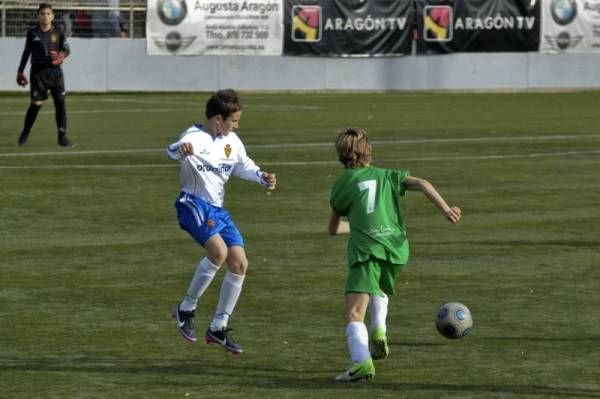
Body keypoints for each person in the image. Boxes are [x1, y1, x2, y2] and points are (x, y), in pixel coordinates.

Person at [328, 127, 461, 382]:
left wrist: (355, 226)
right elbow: (422, 183)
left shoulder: (342, 184)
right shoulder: (387, 175)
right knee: (378, 286)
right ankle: (379, 327)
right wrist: (445, 209)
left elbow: (333, 229)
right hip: (397, 249)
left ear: (342, 156)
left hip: (367, 252)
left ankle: (361, 363)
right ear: (369, 153)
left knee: (355, 313)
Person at [166, 89, 277, 354]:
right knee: (219, 252)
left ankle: (218, 326)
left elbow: (242, 165)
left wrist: (261, 176)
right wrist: (181, 150)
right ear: (218, 119)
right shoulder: (194, 137)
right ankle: (186, 308)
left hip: (217, 211)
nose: (236, 125)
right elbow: (172, 150)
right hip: (192, 204)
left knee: (239, 263)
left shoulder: (233, 142)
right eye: (233, 120)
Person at [16, 3, 73, 147]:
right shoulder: (33, 33)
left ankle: (62, 136)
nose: (45, 16)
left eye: (48, 13)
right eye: (43, 13)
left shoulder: (59, 32)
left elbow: (66, 49)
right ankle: (25, 132)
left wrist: (61, 56)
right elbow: (26, 52)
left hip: (55, 74)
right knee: (36, 105)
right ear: (38, 16)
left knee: (60, 103)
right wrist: (20, 71)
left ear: (52, 16)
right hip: (38, 74)